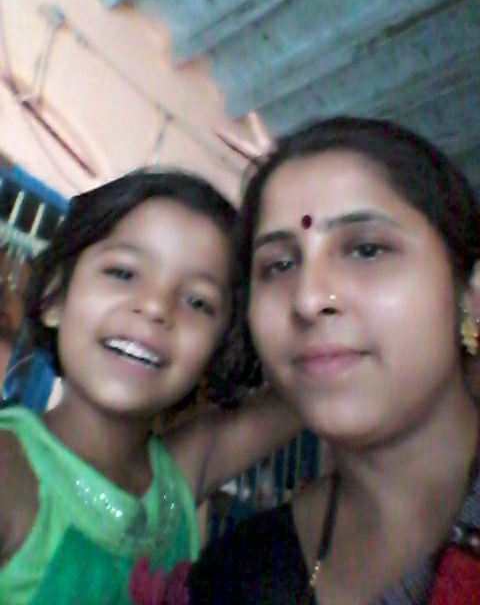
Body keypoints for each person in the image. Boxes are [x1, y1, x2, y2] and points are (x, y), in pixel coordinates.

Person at [189, 118, 480, 604]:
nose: (307, 300)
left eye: (366, 249)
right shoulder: (236, 578)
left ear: (468, 293)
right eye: (279, 265)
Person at [0, 169, 300, 605]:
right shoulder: (10, 472)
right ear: (55, 298)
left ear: (218, 351)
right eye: (123, 273)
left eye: (198, 301)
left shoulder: (179, 478)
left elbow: (306, 392)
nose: (157, 306)